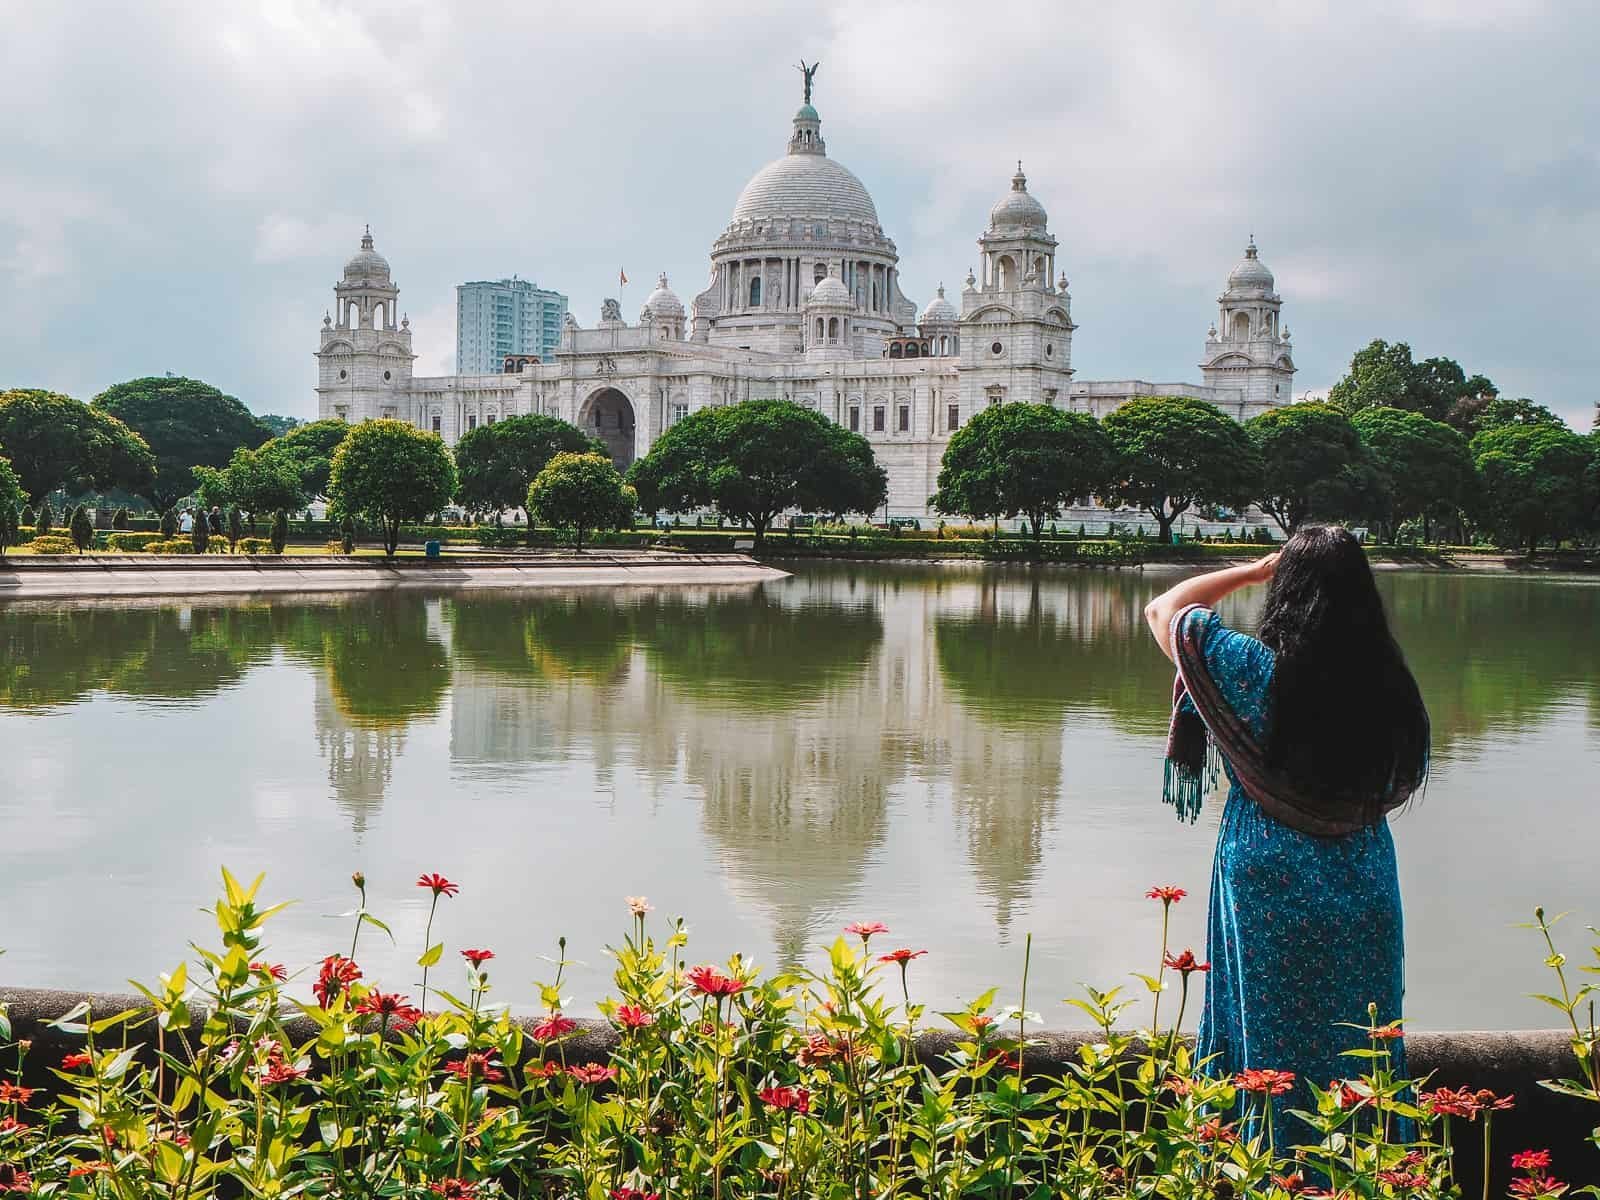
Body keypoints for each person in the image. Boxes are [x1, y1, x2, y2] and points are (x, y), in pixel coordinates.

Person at [1142, 524, 1430, 1146]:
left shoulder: (1248, 668)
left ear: (1286, 593)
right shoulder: (1390, 689)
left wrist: (1252, 570)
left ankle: (1260, 1168)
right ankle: (1368, 1170)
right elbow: (1402, 777)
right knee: (1363, 1032)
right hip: (1363, 871)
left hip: (1265, 871)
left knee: (1262, 1028)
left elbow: (1166, 608)